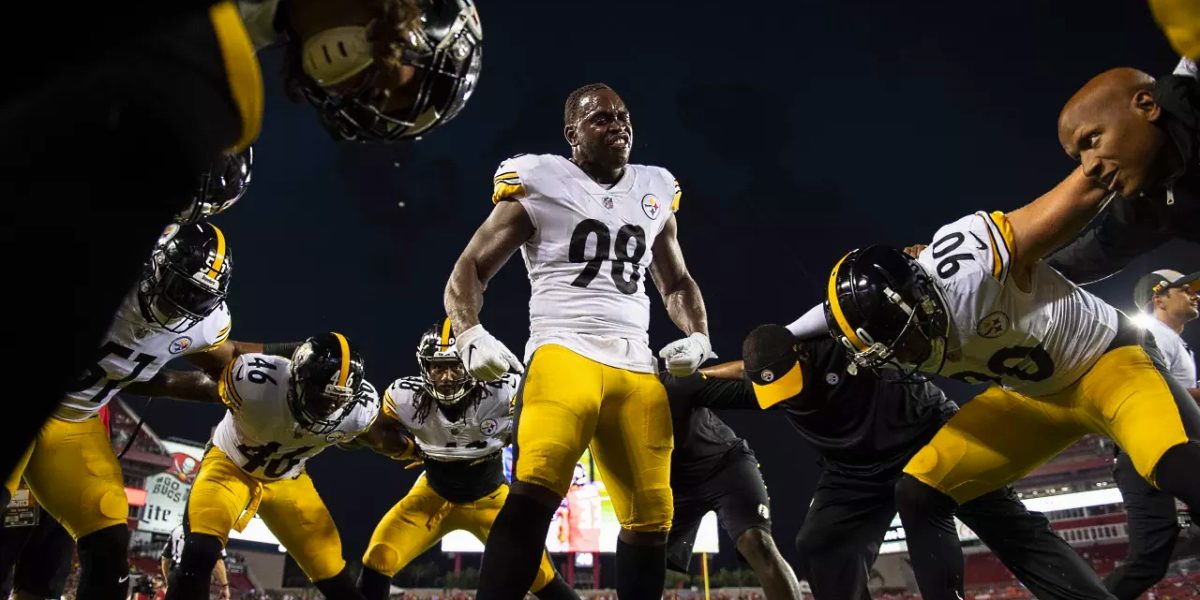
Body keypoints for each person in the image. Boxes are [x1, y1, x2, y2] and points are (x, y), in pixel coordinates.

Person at [0, 0, 483, 487]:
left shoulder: (227, 67)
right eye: (385, 88)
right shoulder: (215, 76)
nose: (358, 94)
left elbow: (213, 360)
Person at [788, 165, 1200, 599]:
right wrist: (783, 337)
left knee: (1173, 464)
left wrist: (1109, 167)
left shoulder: (969, 266)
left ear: (917, 298)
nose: (902, 356)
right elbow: (814, 322)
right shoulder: (892, 318)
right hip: (1032, 397)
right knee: (919, 491)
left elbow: (1080, 196)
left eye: (900, 339)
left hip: (1105, 361)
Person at [444, 83, 713, 598]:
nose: (618, 125)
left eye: (623, 115)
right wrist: (469, 331)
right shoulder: (541, 178)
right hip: (564, 351)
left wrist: (699, 336)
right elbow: (471, 266)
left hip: (637, 365)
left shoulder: (655, 187)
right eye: (601, 119)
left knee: (653, 514)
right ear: (573, 134)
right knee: (537, 483)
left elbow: (676, 282)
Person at [685, 326, 1115, 600]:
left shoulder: (853, 343)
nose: (790, 397)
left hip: (926, 438)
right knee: (820, 542)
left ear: (806, 353)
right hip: (852, 472)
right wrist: (668, 373)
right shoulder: (771, 386)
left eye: (792, 383)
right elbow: (695, 386)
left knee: (1011, 528)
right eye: (777, 392)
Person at [0, 222, 259, 600]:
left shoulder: (205, 324)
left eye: (197, 298)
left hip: (75, 422)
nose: (180, 306)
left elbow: (228, 362)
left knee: (108, 544)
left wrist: (290, 362)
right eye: (179, 289)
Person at [164, 332, 403, 600]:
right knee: (201, 552)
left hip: (288, 479)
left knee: (332, 573)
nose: (328, 408)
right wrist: (126, 378)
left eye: (337, 399)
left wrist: (412, 448)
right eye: (321, 396)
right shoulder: (256, 382)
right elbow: (194, 384)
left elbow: (374, 438)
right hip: (229, 465)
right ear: (297, 379)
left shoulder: (358, 412)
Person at [357, 319, 577, 600]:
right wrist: (400, 448)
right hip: (431, 497)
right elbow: (375, 430)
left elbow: (545, 420)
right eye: (438, 367)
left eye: (455, 366)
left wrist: (531, 397)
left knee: (540, 575)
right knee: (379, 557)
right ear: (424, 367)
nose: (446, 377)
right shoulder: (405, 396)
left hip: (491, 501)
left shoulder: (502, 390)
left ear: (472, 365)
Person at [660, 364, 803, 600]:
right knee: (643, 556)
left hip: (725, 466)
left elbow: (741, 371)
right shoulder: (601, 412)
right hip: (676, 486)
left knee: (756, 542)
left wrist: (781, 373)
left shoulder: (672, 385)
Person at [1047, 67, 1200, 283]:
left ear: (1147, 106)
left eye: (1091, 140)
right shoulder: (1147, 202)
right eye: (1079, 157)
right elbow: (1099, 252)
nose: (1088, 168)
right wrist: (1018, 278)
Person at [1103, 269, 1200, 599]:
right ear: (1158, 298)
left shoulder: (1173, 340)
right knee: (1148, 560)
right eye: (1183, 289)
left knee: (1148, 561)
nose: (1194, 294)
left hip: (1144, 454)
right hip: (1152, 449)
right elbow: (1157, 391)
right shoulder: (1152, 335)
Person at [161, 523, 230, 600]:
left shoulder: (177, 529)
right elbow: (217, 562)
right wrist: (225, 586)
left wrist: (168, 580)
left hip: (176, 576)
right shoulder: (211, 532)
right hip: (197, 578)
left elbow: (165, 559)